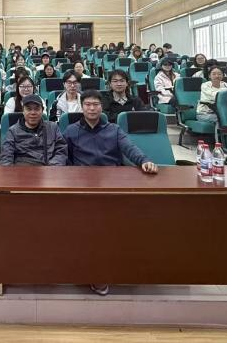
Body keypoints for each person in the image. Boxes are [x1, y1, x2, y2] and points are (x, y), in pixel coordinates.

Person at [63, 90, 158, 296]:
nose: (92, 108)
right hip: (83, 188)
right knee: (91, 230)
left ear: (102, 107)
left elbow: (130, 148)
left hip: (112, 185)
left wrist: (144, 160)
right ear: (81, 107)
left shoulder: (114, 130)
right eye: (87, 104)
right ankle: (95, 273)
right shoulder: (71, 130)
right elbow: (64, 158)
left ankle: (126, 268)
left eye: (95, 104)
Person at [0, 94, 67, 166]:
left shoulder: (53, 128)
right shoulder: (13, 131)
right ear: (23, 111)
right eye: (29, 109)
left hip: (49, 169)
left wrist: (53, 168)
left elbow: (61, 151)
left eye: (37, 109)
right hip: (22, 170)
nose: (33, 113)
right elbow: (6, 157)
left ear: (42, 111)